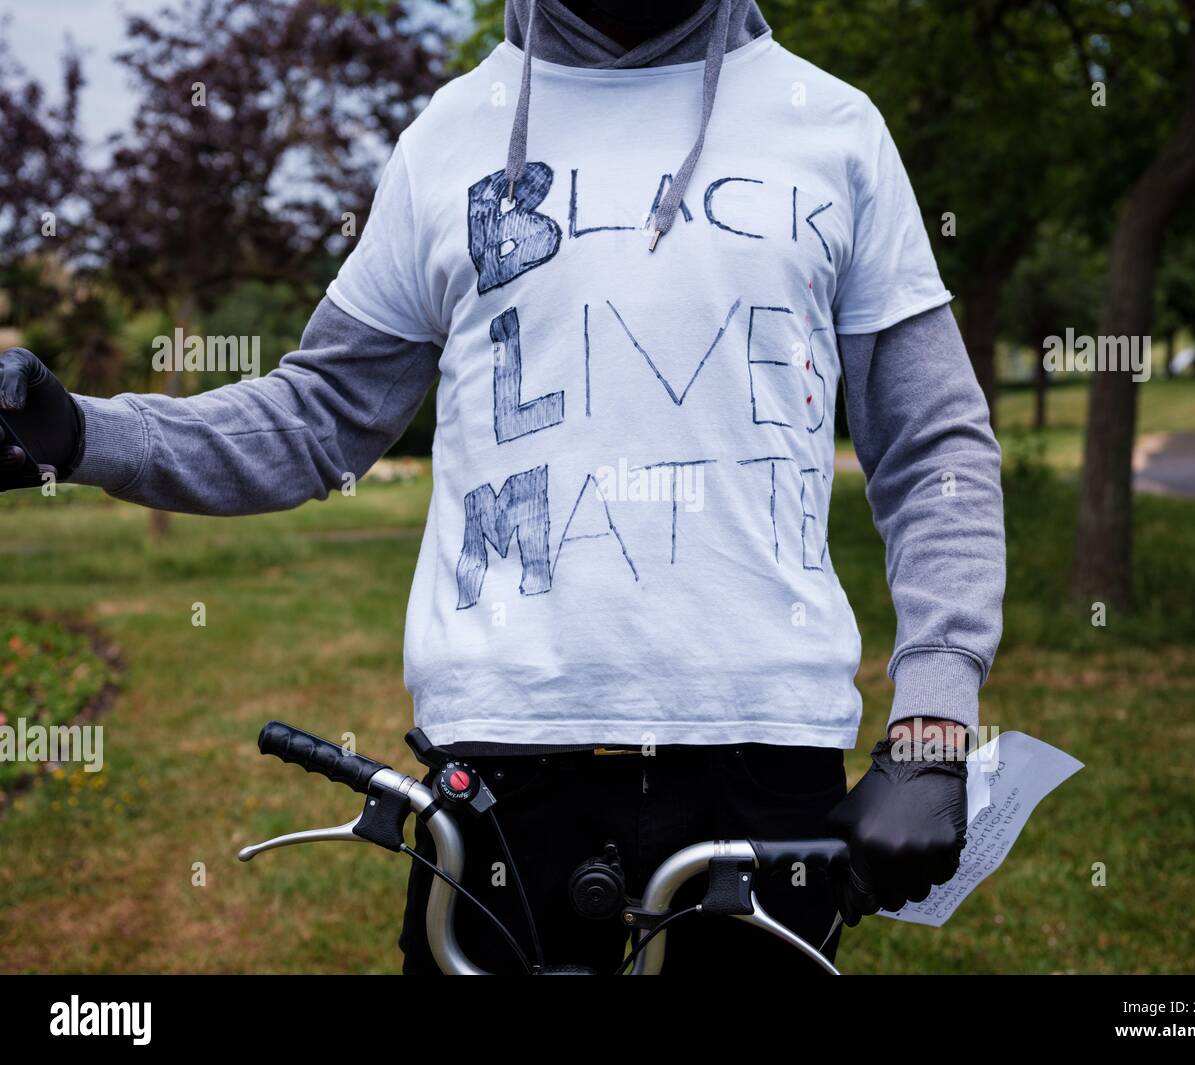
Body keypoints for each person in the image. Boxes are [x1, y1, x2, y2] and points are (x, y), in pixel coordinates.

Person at [0, 0, 1004, 974]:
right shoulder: (448, 136)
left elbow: (934, 446)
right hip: (505, 762)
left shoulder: (831, 126)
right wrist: (87, 435)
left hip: (763, 752)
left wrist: (930, 732)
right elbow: (315, 418)